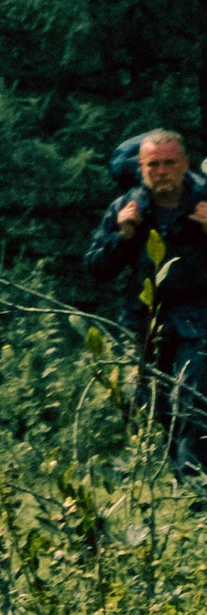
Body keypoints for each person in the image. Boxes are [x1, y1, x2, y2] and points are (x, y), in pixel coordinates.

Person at [85, 127, 207, 473]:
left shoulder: (204, 201)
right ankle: (182, 483)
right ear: (141, 167)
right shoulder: (127, 207)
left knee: (193, 401)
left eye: (169, 163)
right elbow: (96, 269)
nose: (162, 171)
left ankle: (194, 496)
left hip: (199, 320)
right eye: (153, 164)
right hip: (143, 323)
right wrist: (123, 237)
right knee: (149, 404)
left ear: (185, 164)